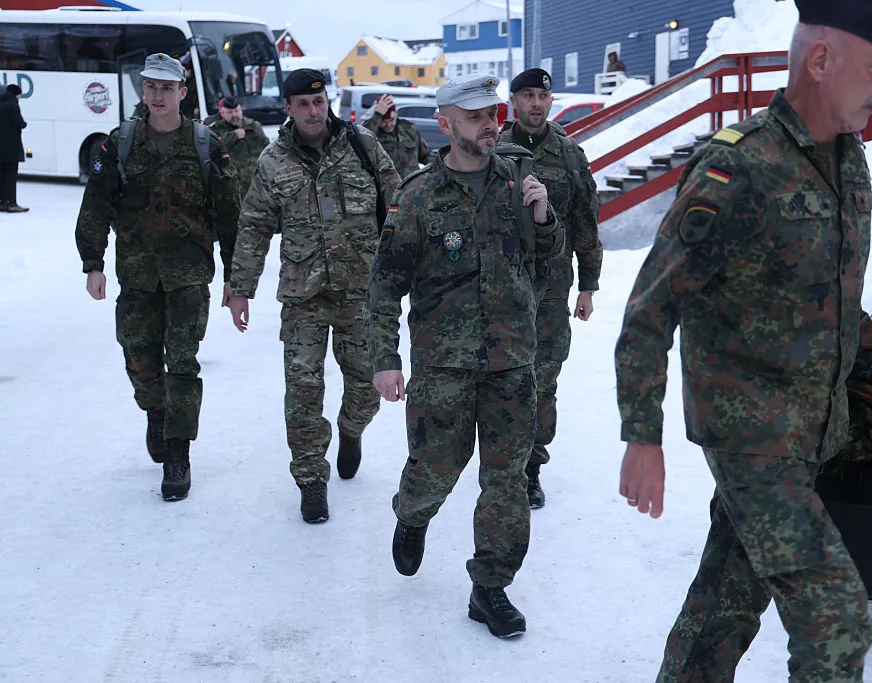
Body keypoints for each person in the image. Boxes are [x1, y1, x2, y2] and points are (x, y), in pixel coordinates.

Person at [614, 0, 872, 680]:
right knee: (837, 625)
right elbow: (651, 307)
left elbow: (827, 290)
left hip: (812, 430)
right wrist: (642, 435)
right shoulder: (739, 168)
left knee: (726, 600)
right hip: (751, 437)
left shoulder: (846, 158)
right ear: (820, 60)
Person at [365, 74, 564, 639]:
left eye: (492, 115)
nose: (490, 125)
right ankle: (412, 514)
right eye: (475, 118)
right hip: (443, 365)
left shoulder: (519, 180)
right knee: (435, 469)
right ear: (446, 124)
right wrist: (385, 357)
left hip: (512, 361)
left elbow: (548, 255)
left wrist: (545, 217)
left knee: (506, 481)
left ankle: (490, 587)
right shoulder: (417, 196)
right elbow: (384, 286)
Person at [226, 69, 401, 524]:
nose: (312, 111)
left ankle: (351, 429)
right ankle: (310, 479)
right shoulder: (272, 161)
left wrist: (408, 271)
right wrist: (241, 288)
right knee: (303, 392)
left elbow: (400, 208)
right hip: (303, 295)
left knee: (367, 387)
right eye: (302, 104)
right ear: (288, 108)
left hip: (360, 293)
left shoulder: (362, 146)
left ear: (328, 103)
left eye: (318, 102)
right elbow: (254, 226)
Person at [75, 53, 239, 502]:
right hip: (137, 275)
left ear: (182, 92)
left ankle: (178, 455)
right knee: (139, 359)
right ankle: (155, 412)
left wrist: (234, 276)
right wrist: (93, 263)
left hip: (188, 276)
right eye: (151, 86)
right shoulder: (120, 144)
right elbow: (96, 207)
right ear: (143, 91)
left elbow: (230, 215)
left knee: (183, 363)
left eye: (167, 87)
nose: (158, 95)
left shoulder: (207, 145)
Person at [498, 67, 602, 508]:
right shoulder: (494, 149)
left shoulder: (569, 154)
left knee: (544, 378)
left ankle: (531, 466)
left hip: (553, 289)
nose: (536, 103)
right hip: (501, 288)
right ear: (514, 101)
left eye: (542, 96)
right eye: (527, 96)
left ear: (551, 100)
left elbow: (585, 221)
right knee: (502, 377)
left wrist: (588, 284)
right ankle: (503, 460)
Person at [207, 96, 270, 203]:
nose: (234, 115)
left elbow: (268, 150)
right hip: (234, 188)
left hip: (257, 185)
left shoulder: (253, 126)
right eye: (230, 112)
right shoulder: (216, 129)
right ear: (222, 113)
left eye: (236, 111)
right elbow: (213, 151)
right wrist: (233, 136)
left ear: (241, 110)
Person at [362, 94, 433, 179]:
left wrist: (440, 166)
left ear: (396, 113)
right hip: (386, 184)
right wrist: (377, 114)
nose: (388, 125)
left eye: (391, 120)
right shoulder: (373, 132)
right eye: (384, 121)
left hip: (411, 183)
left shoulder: (408, 129)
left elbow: (425, 155)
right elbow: (361, 139)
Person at [0, 84, 29, 213]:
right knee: (10, 178)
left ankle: (2, 203)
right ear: (16, 94)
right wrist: (24, 124)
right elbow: (19, 123)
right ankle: (12, 203)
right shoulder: (12, 106)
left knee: (1, 177)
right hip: (11, 148)